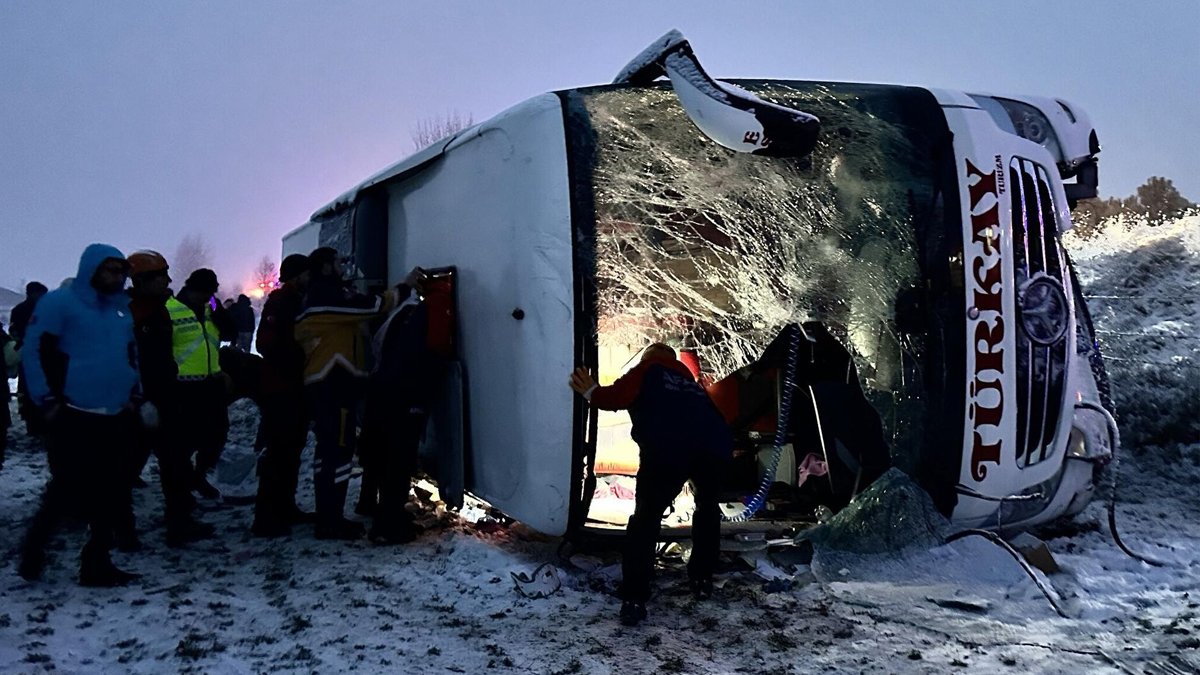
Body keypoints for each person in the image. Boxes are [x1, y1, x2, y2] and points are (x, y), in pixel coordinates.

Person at [569, 343, 733, 626]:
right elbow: (718, 419)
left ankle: (635, 595)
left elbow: (616, 397)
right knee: (707, 510)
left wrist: (591, 391)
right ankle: (702, 577)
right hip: (714, 450)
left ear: (648, 356)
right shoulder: (691, 384)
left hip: (668, 450)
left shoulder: (648, 369)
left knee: (646, 519)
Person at [17, 244, 142, 586]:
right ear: (92, 269)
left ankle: (96, 562)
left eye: (122, 272)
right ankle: (33, 552)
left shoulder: (119, 311)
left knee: (111, 489)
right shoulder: (61, 304)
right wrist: (45, 400)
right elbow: (33, 351)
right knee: (66, 489)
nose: (118, 278)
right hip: (74, 414)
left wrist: (135, 393)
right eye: (111, 270)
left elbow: (131, 355)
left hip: (115, 413)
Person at [294, 247, 401, 540]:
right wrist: (403, 289)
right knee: (338, 451)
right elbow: (372, 306)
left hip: (328, 384)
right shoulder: (325, 295)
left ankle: (328, 515)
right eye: (339, 262)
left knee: (329, 451)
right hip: (333, 384)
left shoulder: (319, 294)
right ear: (326, 267)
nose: (344, 267)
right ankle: (330, 521)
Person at [127, 250, 216, 547]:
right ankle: (119, 529)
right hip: (140, 401)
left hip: (167, 397)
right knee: (127, 466)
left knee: (176, 463)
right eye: (160, 275)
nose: (167, 280)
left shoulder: (161, 309)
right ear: (141, 280)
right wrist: (140, 399)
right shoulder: (131, 313)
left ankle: (180, 521)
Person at [358, 267, 438, 544]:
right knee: (399, 459)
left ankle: (370, 505)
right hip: (404, 395)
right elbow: (423, 356)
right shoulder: (420, 314)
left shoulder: (395, 314)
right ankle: (390, 525)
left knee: (378, 453)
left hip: (381, 390)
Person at [251, 254, 314, 537]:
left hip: (293, 388)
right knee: (278, 453)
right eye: (306, 274)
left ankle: (285, 507)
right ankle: (266, 518)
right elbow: (266, 343)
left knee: (291, 452)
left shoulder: (296, 300)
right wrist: (296, 360)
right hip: (281, 390)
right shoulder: (281, 302)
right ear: (297, 276)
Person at [165, 269, 237, 506]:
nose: (209, 297)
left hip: (212, 384)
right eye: (206, 293)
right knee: (185, 442)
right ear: (193, 289)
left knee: (217, 435)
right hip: (184, 387)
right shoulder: (171, 309)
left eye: (212, 293)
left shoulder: (210, 308)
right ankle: (184, 486)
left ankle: (198, 476)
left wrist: (217, 309)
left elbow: (230, 332)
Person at [10, 281, 48, 435]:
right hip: (39, 356)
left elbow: (14, 331)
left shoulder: (19, 310)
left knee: (27, 390)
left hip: (31, 355)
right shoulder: (43, 310)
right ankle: (35, 422)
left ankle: (32, 421)